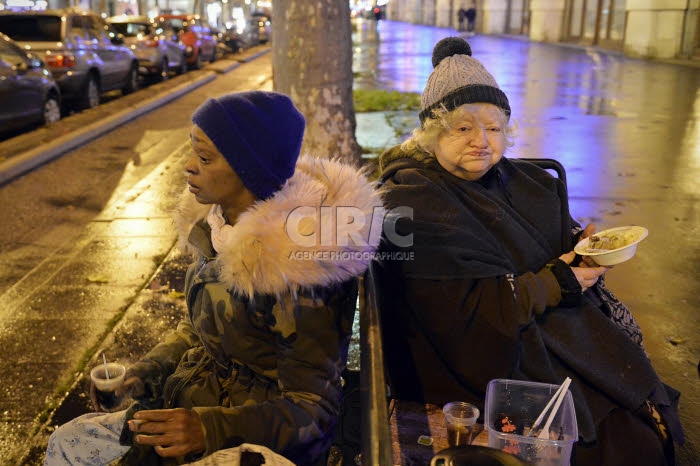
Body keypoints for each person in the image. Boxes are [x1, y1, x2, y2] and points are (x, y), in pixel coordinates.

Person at [376, 37, 684, 466]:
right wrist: (561, 279)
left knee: (637, 423)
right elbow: (465, 317)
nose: (482, 141)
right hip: (479, 356)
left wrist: (581, 247)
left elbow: (550, 243)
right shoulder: (416, 204)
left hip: (540, 322)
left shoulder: (525, 181)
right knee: (622, 444)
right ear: (432, 134)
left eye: (495, 127)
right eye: (463, 128)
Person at [44, 90, 385, 466]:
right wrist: (143, 375)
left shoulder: (298, 271)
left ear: (248, 169)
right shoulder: (217, 229)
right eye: (192, 152)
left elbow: (312, 412)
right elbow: (199, 332)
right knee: (68, 441)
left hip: (251, 439)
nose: (188, 166)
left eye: (204, 157)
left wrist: (208, 428)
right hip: (195, 400)